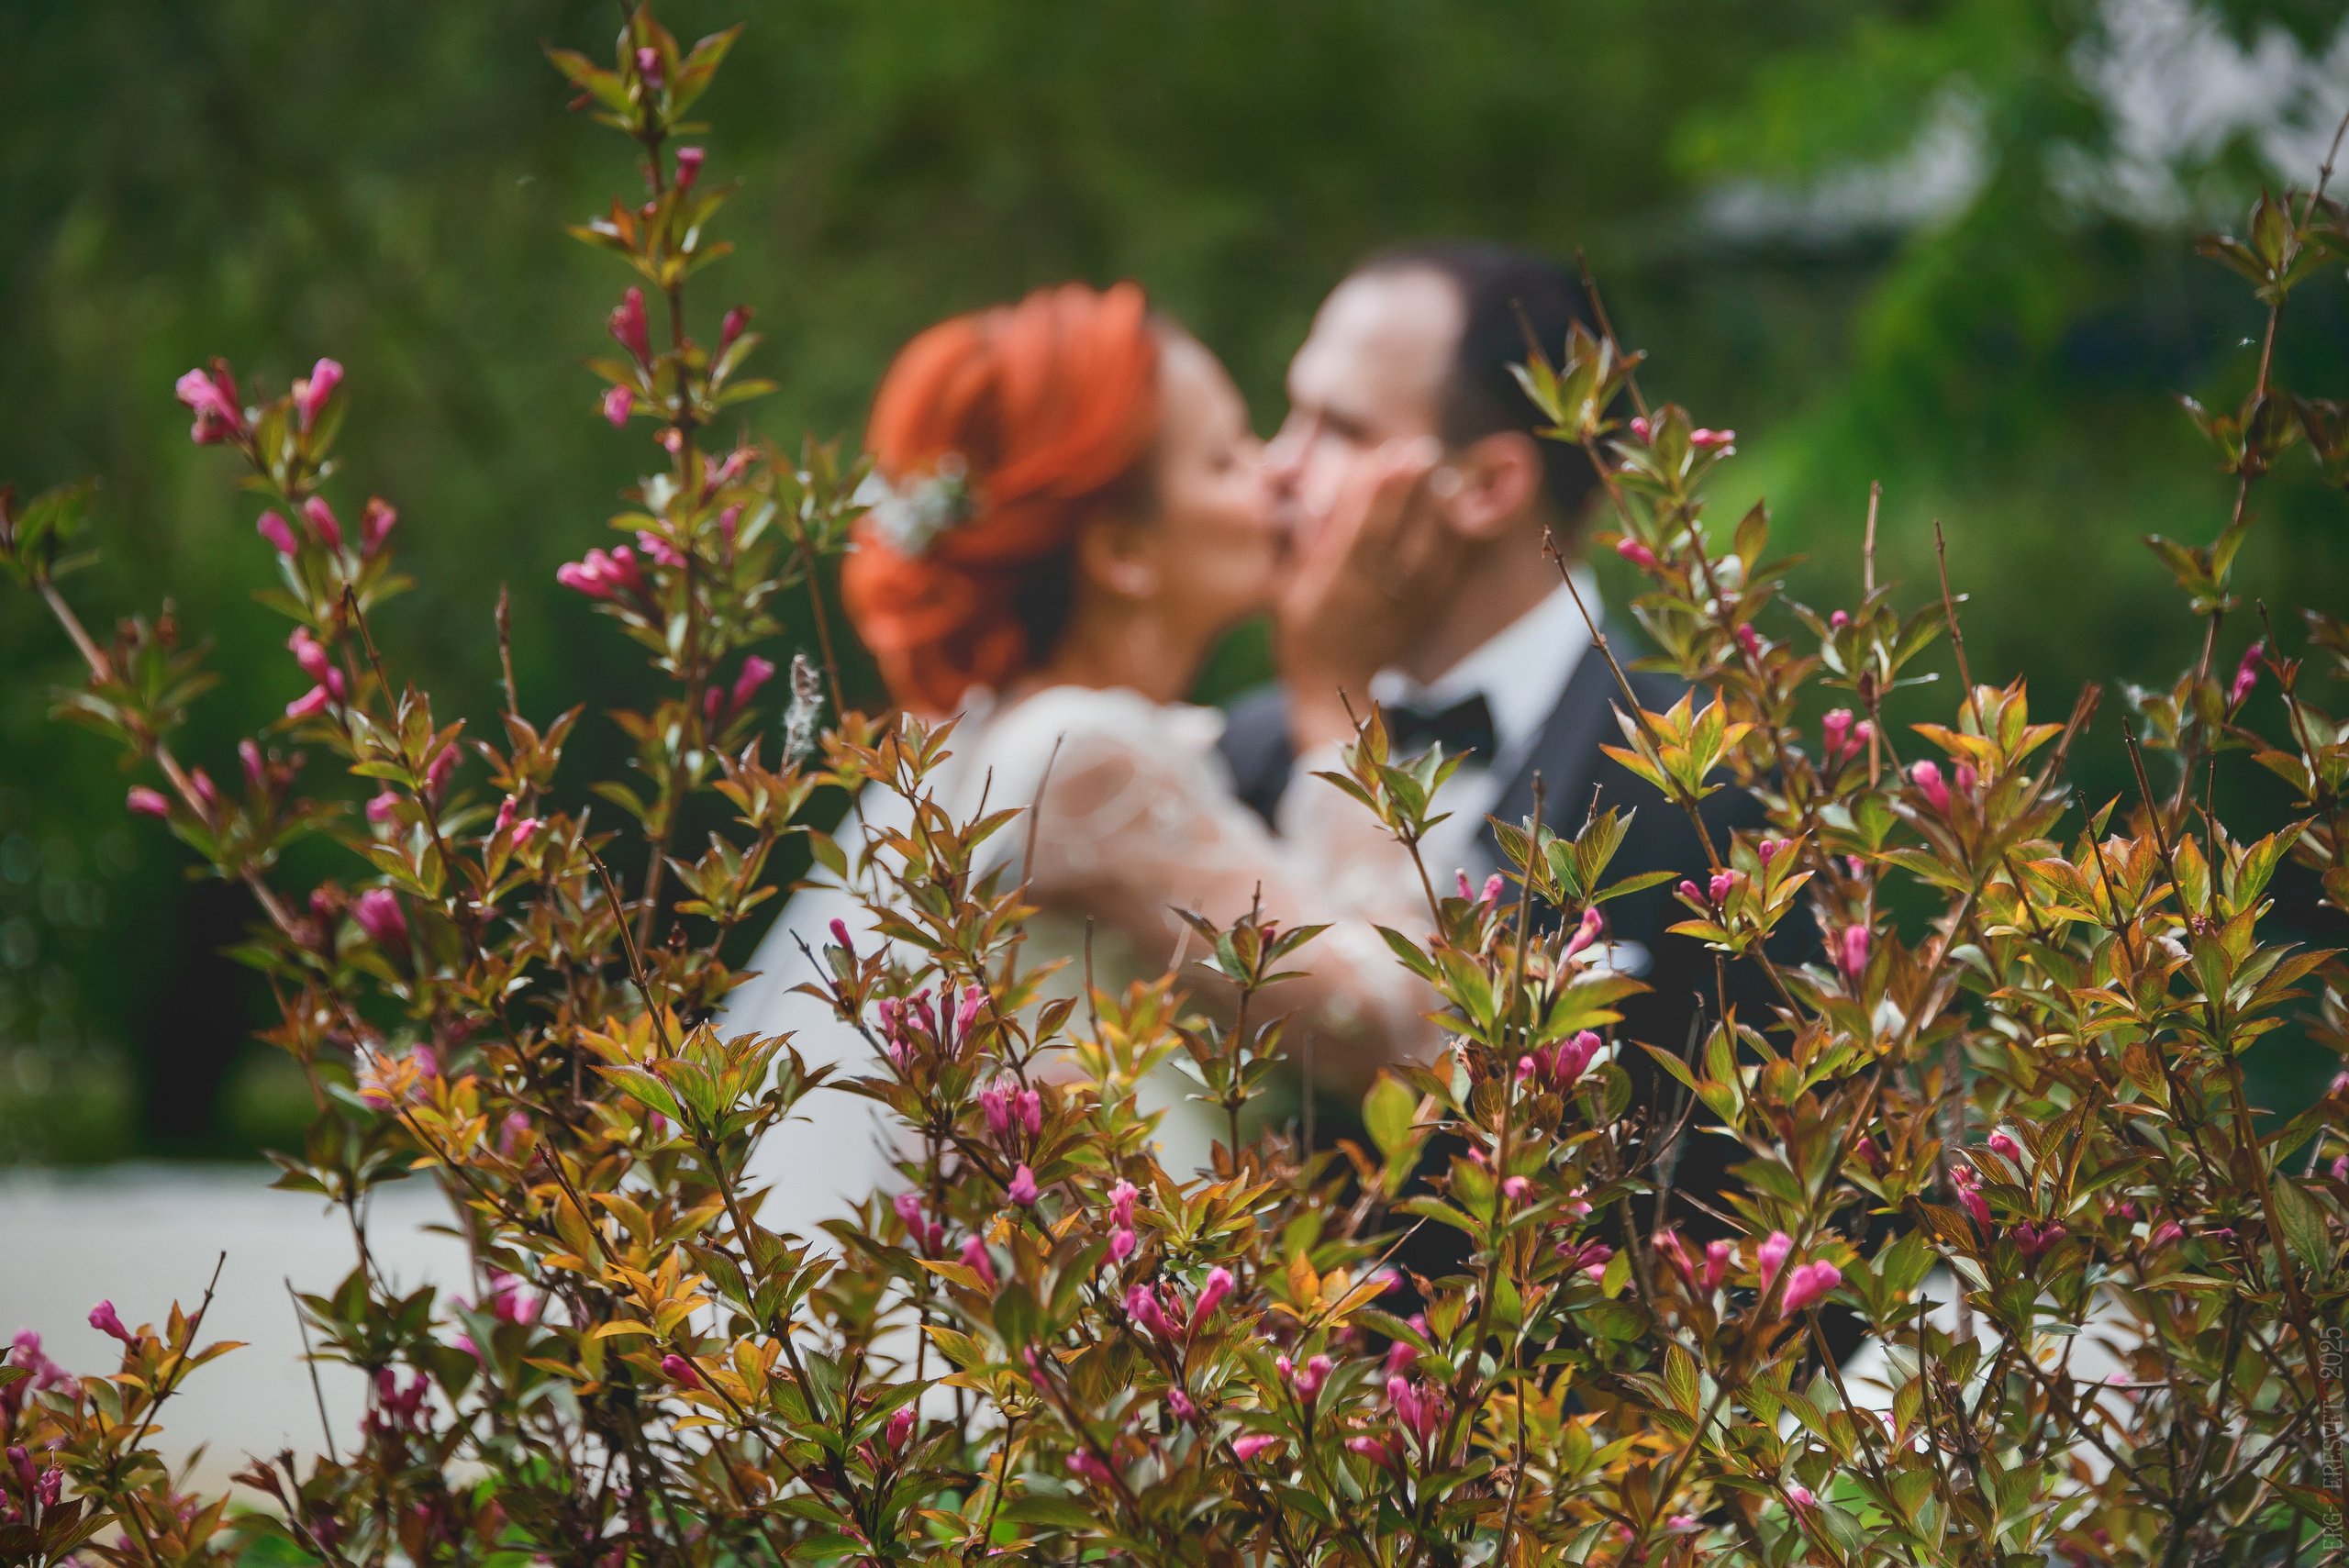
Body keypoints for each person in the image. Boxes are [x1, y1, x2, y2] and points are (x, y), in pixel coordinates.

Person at [726, 281, 1454, 1218]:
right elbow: (1409, 1032)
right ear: (1121, 552)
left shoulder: (997, 736)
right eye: (1228, 458)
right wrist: (1332, 694)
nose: (1278, 471)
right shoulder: (1083, 757)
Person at [1220, 243, 1786, 1220]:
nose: (1277, 465)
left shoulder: (1704, 787)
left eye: (1337, 428)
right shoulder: (1241, 758)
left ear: (1485, 485)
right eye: (1290, 413)